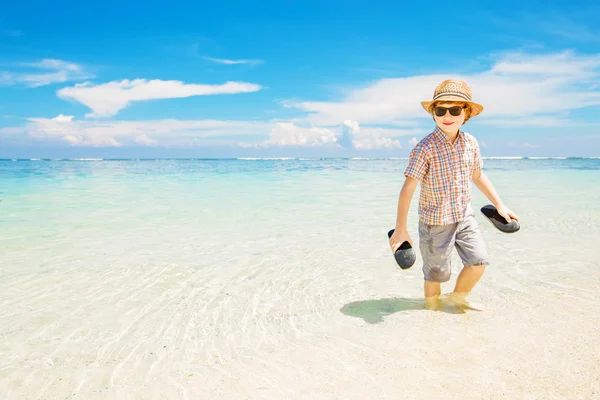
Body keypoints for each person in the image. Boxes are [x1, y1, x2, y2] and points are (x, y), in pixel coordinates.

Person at [389, 79, 519, 311]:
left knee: (479, 261)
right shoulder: (425, 147)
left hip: (464, 216)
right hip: (434, 222)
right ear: (433, 113)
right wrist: (401, 228)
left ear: (466, 113)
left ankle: (457, 297)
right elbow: (408, 188)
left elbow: (477, 175)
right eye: (441, 110)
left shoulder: (470, 143)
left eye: (455, 109)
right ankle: (432, 312)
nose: (447, 115)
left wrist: (499, 204)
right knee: (436, 274)